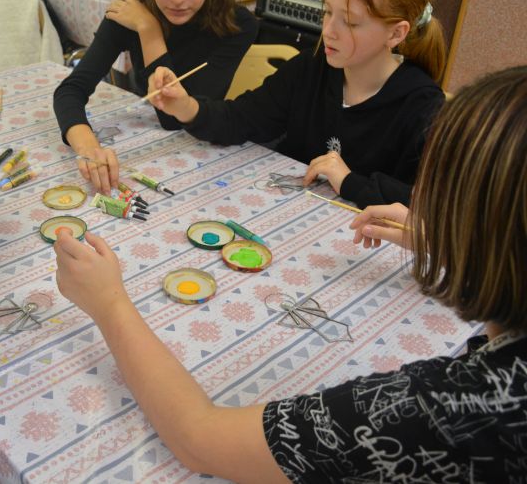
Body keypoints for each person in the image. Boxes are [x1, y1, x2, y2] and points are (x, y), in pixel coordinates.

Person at [53, 64, 527, 482]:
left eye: (437, 202)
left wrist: (109, 304)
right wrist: (447, 239)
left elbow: (200, 439)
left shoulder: (449, 408)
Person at [148, 0, 447, 208]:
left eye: (350, 22)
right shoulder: (312, 67)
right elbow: (241, 119)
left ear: (396, 33)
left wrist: (349, 181)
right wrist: (186, 106)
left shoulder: (422, 106)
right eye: (327, 12)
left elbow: (430, 205)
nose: (328, 31)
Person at [54, 0, 259, 194]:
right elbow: (71, 90)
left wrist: (149, 30)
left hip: (205, 155)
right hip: (157, 153)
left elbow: (173, 118)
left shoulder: (238, 24)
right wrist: (89, 148)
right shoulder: (129, 12)